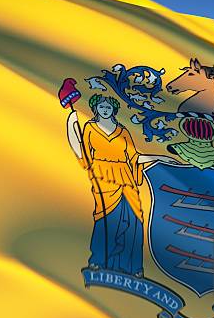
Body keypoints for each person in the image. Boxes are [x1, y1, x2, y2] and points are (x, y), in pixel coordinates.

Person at [66, 94, 176, 277]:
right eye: (101, 107)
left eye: (108, 107)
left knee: (133, 220)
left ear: (114, 110)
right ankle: (98, 261)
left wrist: (158, 157)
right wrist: (71, 123)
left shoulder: (123, 131)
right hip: (103, 176)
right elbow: (83, 151)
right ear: (95, 109)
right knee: (106, 219)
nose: (105, 110)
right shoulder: (90, 128)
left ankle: (132, 266)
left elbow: (133, 157)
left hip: (126, 178)